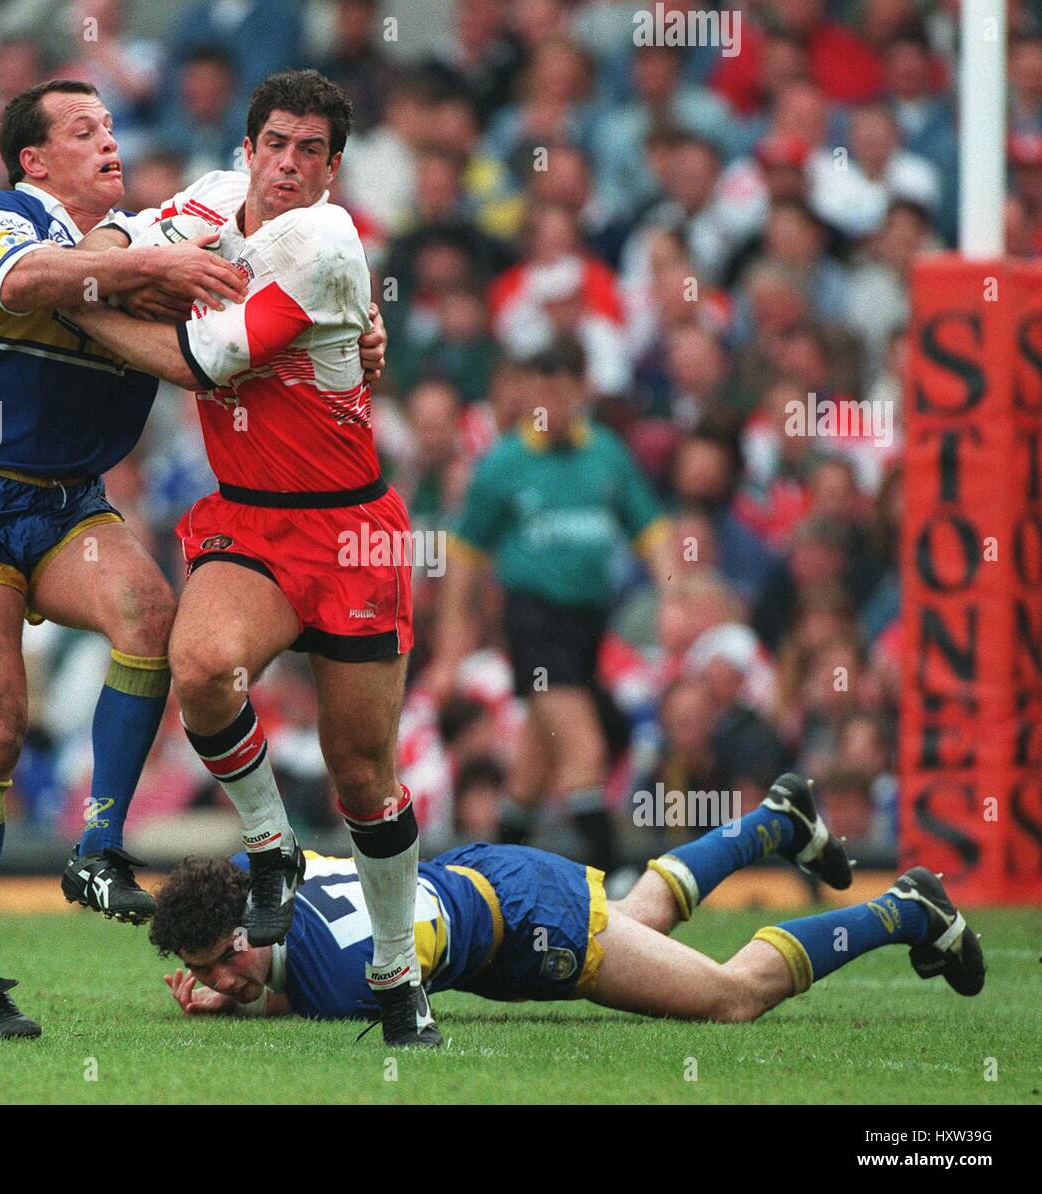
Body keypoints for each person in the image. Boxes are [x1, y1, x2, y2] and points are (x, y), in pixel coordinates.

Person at [0, 78, 349, 1043]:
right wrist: (146, 271)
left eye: (110, 126)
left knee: (151, 615)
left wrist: (358, 323)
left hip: (66, 504)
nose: (109, 141)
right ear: (35, 159)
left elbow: (283, 295)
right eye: (82, 130)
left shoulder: (155, 234)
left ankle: (99, 843)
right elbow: (24, 285)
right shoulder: (1, 220)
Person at [65, 70, 437, 1047]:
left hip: (348, 528)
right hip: (251, 519)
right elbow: (116, 238)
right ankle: (271, 847)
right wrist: (96, 260)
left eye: (309, 150)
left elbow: (207, 361)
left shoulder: (325, 241)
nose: (287, 164)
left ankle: (399, 981)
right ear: (248, 146)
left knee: (363, 779)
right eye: (273, 142)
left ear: (333, 166)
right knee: (201, 668)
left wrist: (82, 311)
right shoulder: (216, 197)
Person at [152, 774, 984, 1026]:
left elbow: (320, 991)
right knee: (643, 921)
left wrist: (242, 1006)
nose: (224, 975)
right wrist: (236, 990)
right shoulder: (257, 873)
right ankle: (776, 821)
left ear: (245, 921)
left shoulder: (335, 980)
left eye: (225, 956)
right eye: (207, 969)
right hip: (488, 878)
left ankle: (909, 909)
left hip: (525, 925)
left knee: (731, 999)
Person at [429, 341, 671, 872]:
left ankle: (488, 873)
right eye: (543, 392)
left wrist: (674, 596)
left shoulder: (607, 455)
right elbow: (465, 564)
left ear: (581, 391)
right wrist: (449, 654)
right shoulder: (504, 465)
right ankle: (620, 879)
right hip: (534, 621)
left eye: (563, 393)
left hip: (588, 625)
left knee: (532, 770)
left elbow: (652, 533)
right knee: (583, 748)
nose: (552, 406)